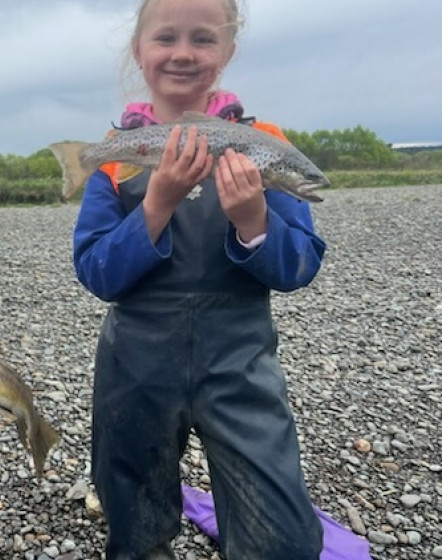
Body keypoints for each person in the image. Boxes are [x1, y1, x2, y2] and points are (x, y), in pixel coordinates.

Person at [72, 0, 326, 559]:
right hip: (134, 365)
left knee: (281, 537)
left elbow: (300, 264)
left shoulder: (266, 141)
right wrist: (155, 205)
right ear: (139, 51)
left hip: (240, 363)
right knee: (134, 528)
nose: (183, 53)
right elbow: (95, 271)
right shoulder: (118, 156)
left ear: (228, 51)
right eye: (166, 38)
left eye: (203, 39)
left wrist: (253, 220)